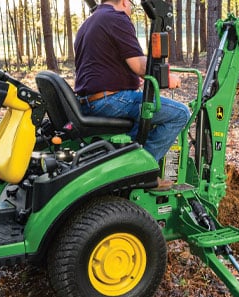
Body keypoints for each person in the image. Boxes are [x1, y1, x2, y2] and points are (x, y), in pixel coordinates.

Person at [74, 0, 190, 187]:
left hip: (89, 102)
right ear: (123, 2)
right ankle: (141, 171)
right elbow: (140, 65)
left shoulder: (89, 23)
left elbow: (103, 64)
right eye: (131, 5)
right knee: (179, 114)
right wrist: (168, 78)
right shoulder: (116, 18)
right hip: (110, 101)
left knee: (146, 116)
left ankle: (127, 160)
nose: (130, 10)